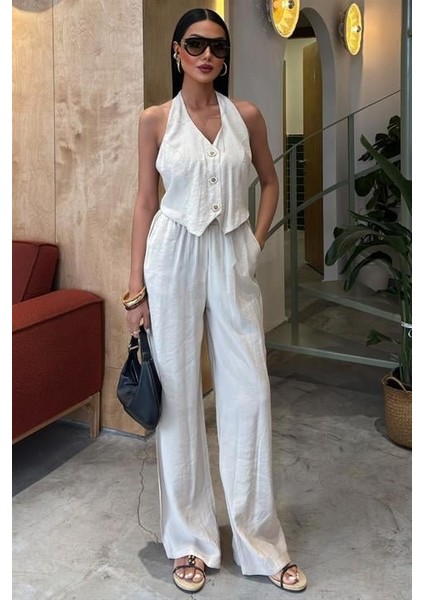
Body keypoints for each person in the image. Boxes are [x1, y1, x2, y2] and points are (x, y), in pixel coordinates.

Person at [124, 7, 307, 594]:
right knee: (178, 399)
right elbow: (145, 203)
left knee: (249, 394)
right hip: (171, 256)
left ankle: (260, 541)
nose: (208, 55)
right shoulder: (155, 120)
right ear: (177, 51)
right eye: (196, 44)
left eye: (218, 47)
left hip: (230, 254)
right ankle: (190, 540)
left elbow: (271, 182)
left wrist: (253, 244)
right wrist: (135, 289)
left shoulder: (244, 116)